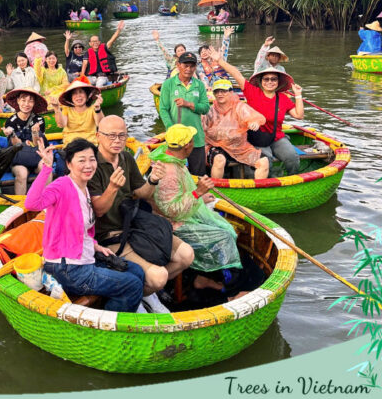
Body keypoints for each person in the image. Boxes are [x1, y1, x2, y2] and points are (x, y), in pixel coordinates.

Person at [88, 116, 195, 313]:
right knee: (159, 276)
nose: (117, 140)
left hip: (135, 224)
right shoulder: (91, 165)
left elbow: (143, 193)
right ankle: (137, 296)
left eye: (122, 135)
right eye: (111, 136)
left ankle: (143, 292)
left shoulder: (127, 158)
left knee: (186, 255)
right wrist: (112, 187)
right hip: (109, 235)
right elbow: (99, 210)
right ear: (98, 137)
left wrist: (153, 180)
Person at [25, 137, 144, 313]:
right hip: (68, 268)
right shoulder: (62, 185)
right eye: (81, 160)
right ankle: (109, 325)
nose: (88, 165)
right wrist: (47, 169)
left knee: (137, 272)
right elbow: (31, 204)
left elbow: (83, 229)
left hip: (85, 257)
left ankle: (128, 306)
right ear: (69, 164)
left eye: (92, 159)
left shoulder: (85, 188)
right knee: (132, 285)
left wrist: (96, 246)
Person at [149, 125, 242, 279]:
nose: (194, 143)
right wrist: (197, 192)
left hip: (184, 214)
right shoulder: (169, 171)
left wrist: (200, 197)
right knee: (225, 236)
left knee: (225, 227)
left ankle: (209, 276)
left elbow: (179, 194)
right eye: (192, 140)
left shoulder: (172, 158)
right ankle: (224, 281)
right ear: (187, 146)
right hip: (174, 225)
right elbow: (171, 211)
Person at [214, 49, 305, 176]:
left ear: (278, 82)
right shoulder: (253, 92)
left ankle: (291, 180)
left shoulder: (283, 98)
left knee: (292, 158)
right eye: (266, 79)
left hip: (276, 137)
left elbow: (299, 115)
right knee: (265, 160)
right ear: (261, 82)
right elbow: (237, 74)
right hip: (257, 138)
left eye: (273, 79)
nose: (269, 82)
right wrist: (220, 61)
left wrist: (298, 95)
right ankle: (269, 182)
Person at [204, 79, 269, 179]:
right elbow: (201, 126)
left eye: (223, 91)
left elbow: (254, 117)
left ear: (231, 92)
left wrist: (254, 122)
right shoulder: (210, 110)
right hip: (216, 145)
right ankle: (216, 189)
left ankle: (258, 191)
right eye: (217, 91)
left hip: (239, 147)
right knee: (219, 159)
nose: (220, 94)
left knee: (264, 161)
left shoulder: (240, 107)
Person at [157, 52, 209, 176]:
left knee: (198, 174)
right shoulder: (168, 84)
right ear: (178, 65)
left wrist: (189, 104)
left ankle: (197, 195)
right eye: (185, 65)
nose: (188, 69)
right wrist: (171, 128)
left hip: (196, 139)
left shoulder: (199, 85)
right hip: (176, 140)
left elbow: (206, 108)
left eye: (192, 66)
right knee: (175, 174)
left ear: (195, 67)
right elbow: (163, 109)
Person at [3, 88, 49, 195]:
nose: (26, 104)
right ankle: (21, 205)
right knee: (22, 174)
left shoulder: (39, 120)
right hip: (19, 157)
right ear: (18, 101)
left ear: (34, 103)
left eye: (30, 101)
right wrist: (12, 134)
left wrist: (35, 133)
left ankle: (47, 203)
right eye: (23, 100)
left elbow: (38, 144)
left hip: (36, 155)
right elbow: (16, 144)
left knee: (46, 168)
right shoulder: (11, 121)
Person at [51, 79, 103, 145]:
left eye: (81, 92)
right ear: (71, 98)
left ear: (87, 96)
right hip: (71, 145)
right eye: (75, 93)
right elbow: (61, 125)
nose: (78, 96)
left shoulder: (93, 108)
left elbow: (100, 124)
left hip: (89, 145)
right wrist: (56, 109)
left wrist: (98, 108)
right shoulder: (67, 109)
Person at [81, 20, 125, 87]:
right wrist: (82, 75)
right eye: (93, 41)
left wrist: (118, 30)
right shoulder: (87, 53)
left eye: (96, 41)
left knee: (99, 84)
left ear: (99, 42)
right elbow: (84, 63)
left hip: (103, 77)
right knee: (83, 83)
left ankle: (98, 95)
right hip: (92, 77)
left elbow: (112, 39)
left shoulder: (104, 48)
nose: (95, 43)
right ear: (90, 44)